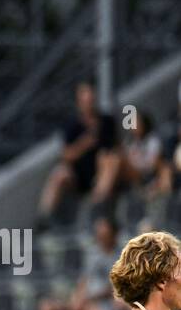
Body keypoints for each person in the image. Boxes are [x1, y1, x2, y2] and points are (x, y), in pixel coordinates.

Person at [37, 80, 121, 227]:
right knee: (59, 172)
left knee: (110, 159)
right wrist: (85, 143)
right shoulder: (71, 125)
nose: (88, 102)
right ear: (79, 102)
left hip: (102, 175)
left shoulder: (107, 121)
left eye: (91, 98)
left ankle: (97, 207)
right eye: (85, 99)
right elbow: (66, 155)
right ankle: (44, 218)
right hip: (78, 176)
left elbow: (116, 148)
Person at [39, 216, 129, 310]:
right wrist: (78, 298)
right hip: (86, 300)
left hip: (105, 302)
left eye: (104, 234)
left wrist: (89, 299)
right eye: (99, 234)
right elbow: (84, 279)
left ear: (113, 234)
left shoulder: (121, 257)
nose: (100, 237)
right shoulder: (93, 253)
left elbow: (113, 288)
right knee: (47, 307)